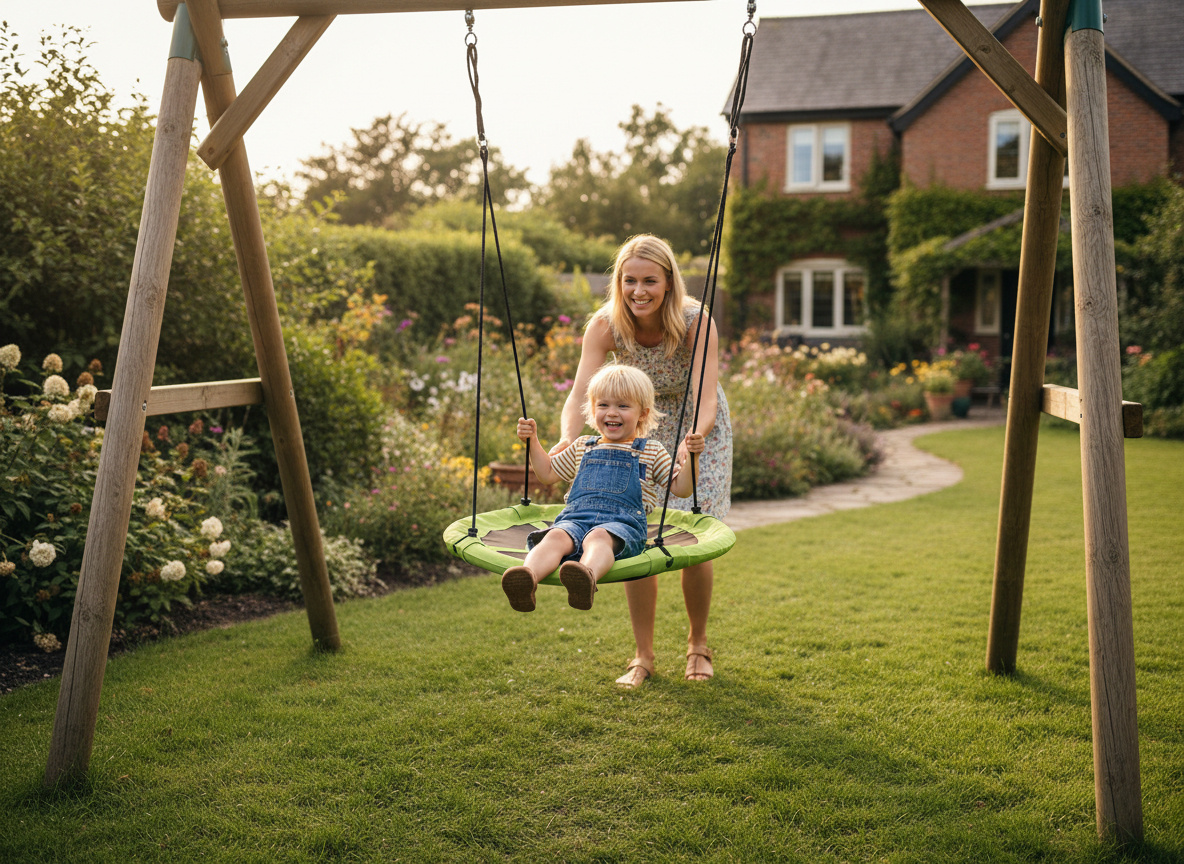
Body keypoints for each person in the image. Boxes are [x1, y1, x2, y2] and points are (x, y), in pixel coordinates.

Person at [552, 234, 733, 688]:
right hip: (633, 426)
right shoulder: (606, 325)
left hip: (694, 426)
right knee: (632, 529)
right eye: (629, 280)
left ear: (669, 282)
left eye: (650, 281)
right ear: (619, 282)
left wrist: (695, 438)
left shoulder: (695, 321)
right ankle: (643, 655)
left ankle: (697, 644)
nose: (639, 291)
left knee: (693, 532)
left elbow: (704, 395)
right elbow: (579, 395)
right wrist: (566, 438)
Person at [501, 364, 704, 615]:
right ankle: (526, 580)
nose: (612, 413)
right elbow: (548, 473)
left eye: (623, 406)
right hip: (575, 519)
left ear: (642, 413)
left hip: (621, 527)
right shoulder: (581, 446)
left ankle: (585, 577)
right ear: (593, 408)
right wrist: (532, 442)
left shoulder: (651, 451)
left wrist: (692, 458)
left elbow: (682, 489)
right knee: (554, 536)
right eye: (604, 405)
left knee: (598, 537)